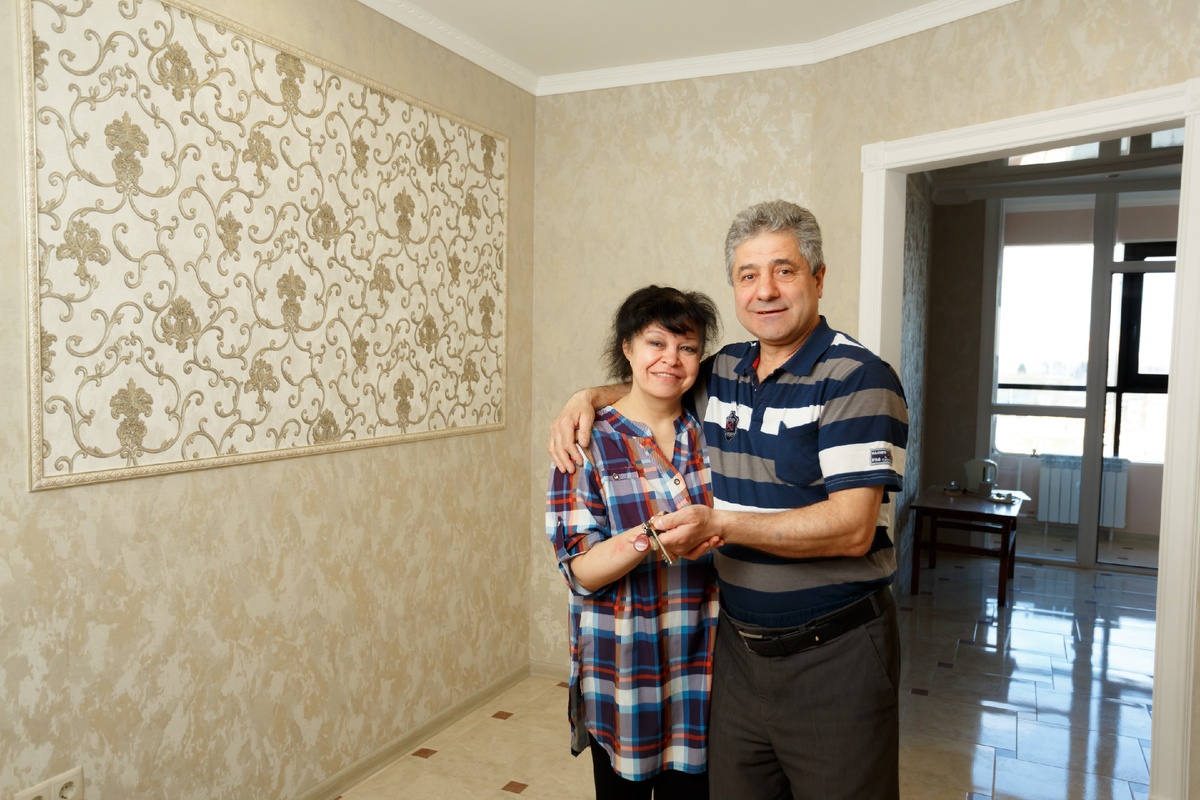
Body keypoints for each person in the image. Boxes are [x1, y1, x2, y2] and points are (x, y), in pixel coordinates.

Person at [548, 200, 909, 800]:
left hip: (834, 651)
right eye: (748, 274)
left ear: (818, 278)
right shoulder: (727, 372)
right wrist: (583, 398)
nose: (765, 290)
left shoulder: (858, 378)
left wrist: (720, 524)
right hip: (736, 656)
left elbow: (852, 529)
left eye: (784, 270)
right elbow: (659, 382)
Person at [546, 285, 723, 799]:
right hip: (623, 671)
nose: (671, 359)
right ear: (627, 347)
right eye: (655, 343)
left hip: (705, 668)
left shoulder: (714, 432)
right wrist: (652, 536)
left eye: (687, 347)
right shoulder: (587, 441)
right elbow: (579, 569)